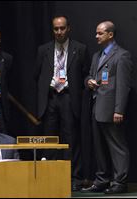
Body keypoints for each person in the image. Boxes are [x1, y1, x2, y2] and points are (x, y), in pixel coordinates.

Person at [35, 15, 90, 191]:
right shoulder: (43, 50)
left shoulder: (80, 49)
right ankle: (49, 176)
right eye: (56, 29)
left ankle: (74, 178)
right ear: (52, 30)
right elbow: (37, 75)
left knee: (71, 139)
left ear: (68, 28)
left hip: (69, 97)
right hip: (50, 98)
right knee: (50, 139)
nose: (59, 32)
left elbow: (85, 73)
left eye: (62, 28)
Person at [81, 21, 132, 194]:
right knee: (99, 146)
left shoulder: (122, 56)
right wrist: (88, 81)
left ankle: (119, 182)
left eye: (100, 33)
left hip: (111, 109)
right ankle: (102, 180)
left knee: (117, 146)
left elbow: (124, 85)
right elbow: (90, 74)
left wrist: (119, 110)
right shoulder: (97, 55)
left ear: (110, 35)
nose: (96, 36)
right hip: (96, 107)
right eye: (96, 33)